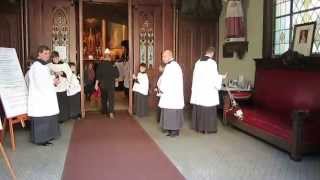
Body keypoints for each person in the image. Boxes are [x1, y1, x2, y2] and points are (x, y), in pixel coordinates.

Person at [27, 45, 60, 146]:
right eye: (45, 53)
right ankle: (40, 139)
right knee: (41, 119)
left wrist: (54, 81)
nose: (47, 55)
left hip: (46, 96)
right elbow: (39, 83)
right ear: (39, 54)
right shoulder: (36, 66)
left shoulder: (44, 66)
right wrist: (51, 82)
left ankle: (46, 137)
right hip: (40, 98)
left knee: (47, 118)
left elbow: (46, 80)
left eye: (48, 53)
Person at [190, 47, 227, 134]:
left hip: (199, 91)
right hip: (208, 92)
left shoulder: (198, 62)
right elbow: (214, 77)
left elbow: (194, 77)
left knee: (200, 108)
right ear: (212, 54)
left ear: (206, 52)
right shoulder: (212, 63)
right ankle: (207, 129)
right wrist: (222, 77)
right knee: (208, 109)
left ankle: (198, 127)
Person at [158, 50, 184, 137]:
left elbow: (166, 81)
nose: (162, 58)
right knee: (170, 112)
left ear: (169, 56)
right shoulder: (172, 66)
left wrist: (161, 87)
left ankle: (174, 131)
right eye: (162, 56)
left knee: (172, 112)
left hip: (172, 94)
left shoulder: (172, 66)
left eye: (164, 56)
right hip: (171, 93)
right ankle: (171, 130)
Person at [48, 51, 72, 123]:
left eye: (57, 57)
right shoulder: (49, 65)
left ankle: (63, 118)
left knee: (62, 104)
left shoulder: (64, 65)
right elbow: (47, 75)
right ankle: (56, 118)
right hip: (54, 88)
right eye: (54, 58)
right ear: (52, 58)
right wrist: (53, 74)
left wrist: (62, 73)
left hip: (62, 87)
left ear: (59, 57)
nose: (56, 59)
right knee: (56, 104)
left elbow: (69, 74)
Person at [95, 54, 119, 118]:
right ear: (109, 58)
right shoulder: (113, 65)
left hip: (103, 85)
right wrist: (116, 83)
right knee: (111, 99)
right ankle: (111, 112)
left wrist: (96, 84)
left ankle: (104, 110)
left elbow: (98, 75)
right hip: (111, 84)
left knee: (104, 98)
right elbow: (117, 74)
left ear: (104, 58)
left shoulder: (100, 65)